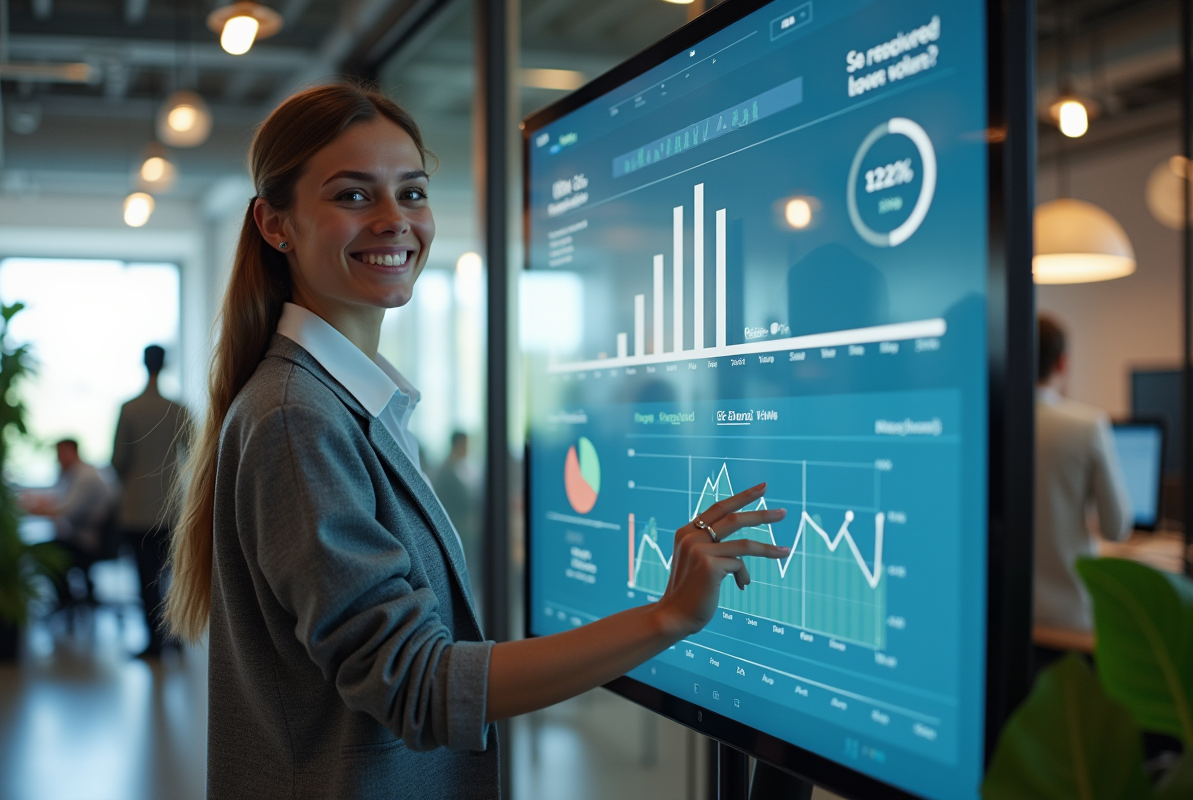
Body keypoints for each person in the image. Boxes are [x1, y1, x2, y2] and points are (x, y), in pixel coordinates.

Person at [164, 83, 789, 799]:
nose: (396, 221)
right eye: (354, 196)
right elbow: (417, 687)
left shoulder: (339, 401)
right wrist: (668, 615)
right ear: (276, 225)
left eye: (413, 192)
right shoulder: (297, 416)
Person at [1034, 314, 1132, 635]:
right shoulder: (1087, 426)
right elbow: (1116, 528)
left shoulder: (988, 423)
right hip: (1070, 619)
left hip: (1005, 614)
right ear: (1063, 363)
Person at [112, 345, 192, 658]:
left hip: (137, 508)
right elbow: (194, 456)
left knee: (145, 578)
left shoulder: (129, 409)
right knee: (170, 575)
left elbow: (119, 460)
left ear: (143, 364)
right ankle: (175, 636)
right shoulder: (179, 408)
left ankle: (153, 643)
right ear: (166, 365)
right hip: (172, 508)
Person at [21, 439, 113, 606]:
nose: (58, 459)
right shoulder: (74, 474)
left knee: (42, 552)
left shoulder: (85, 476)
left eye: (60, 453)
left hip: (87, 542)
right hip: (82, 536)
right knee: (47, 545)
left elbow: (67, 510)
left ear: (72, 451)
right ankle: (72, 596)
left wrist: (35, 509)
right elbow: (62, 501)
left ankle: (65, 600)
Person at [431, 431, 482, 586]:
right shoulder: (448, 472)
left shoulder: (451, 469)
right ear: (458, 445)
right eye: (466, 445)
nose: (467, 450)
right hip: (455, 527)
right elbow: (464, 502)